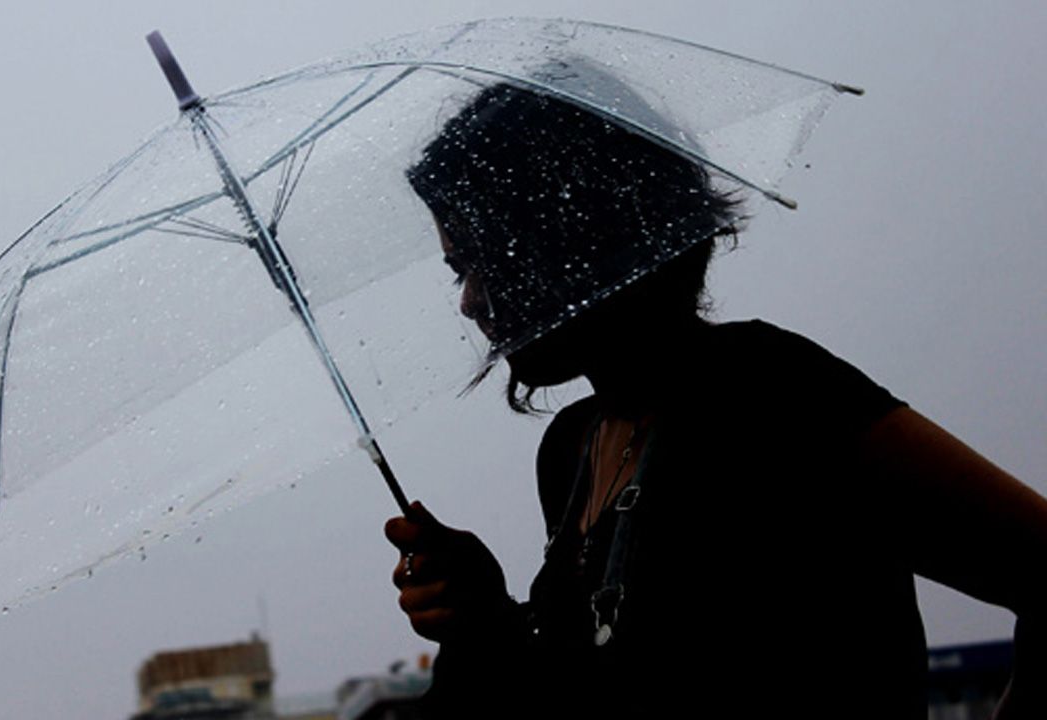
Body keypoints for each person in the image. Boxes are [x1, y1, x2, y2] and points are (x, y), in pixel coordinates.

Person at [384, 80, 1047, 718]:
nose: (470, 300)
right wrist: (485, 618)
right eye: (456, 271)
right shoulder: (573, 448)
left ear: (574, 231)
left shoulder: (772, 393)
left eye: (484, 259)